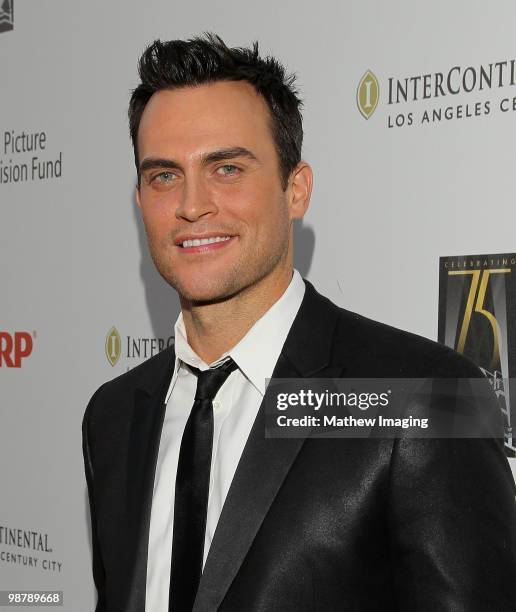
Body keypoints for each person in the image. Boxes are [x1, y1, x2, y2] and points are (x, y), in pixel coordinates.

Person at [82, 33, 516, 612]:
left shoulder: (426, 396)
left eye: (227, 168)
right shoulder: (114, 414)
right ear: (139, 199)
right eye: (163, 176)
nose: (192, 204)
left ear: (296, 188)